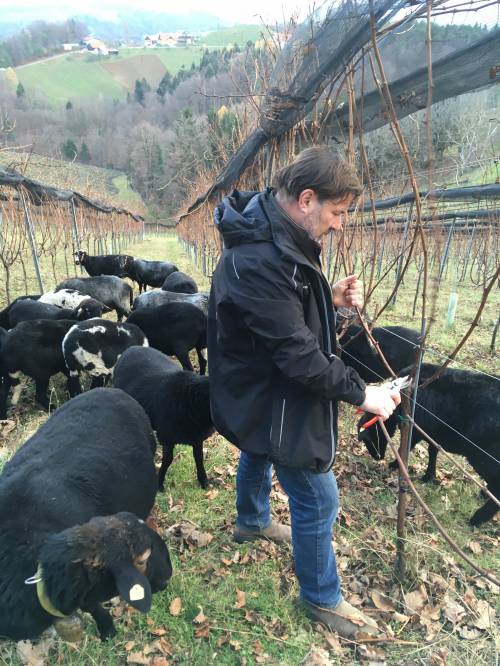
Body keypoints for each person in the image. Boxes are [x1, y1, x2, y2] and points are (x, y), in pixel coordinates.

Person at [207, 146, 401, 639]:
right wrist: (364, 394)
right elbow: (298, 357)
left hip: (257, 383)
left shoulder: (275, 235)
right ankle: (322, 599)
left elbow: (284, 311)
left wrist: (328, 297)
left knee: (258, 445)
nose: (340, 225)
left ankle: (251, 520)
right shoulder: (258, 257)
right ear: (306, 199)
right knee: (317, 498)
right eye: (336, 213)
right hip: (267, 390)